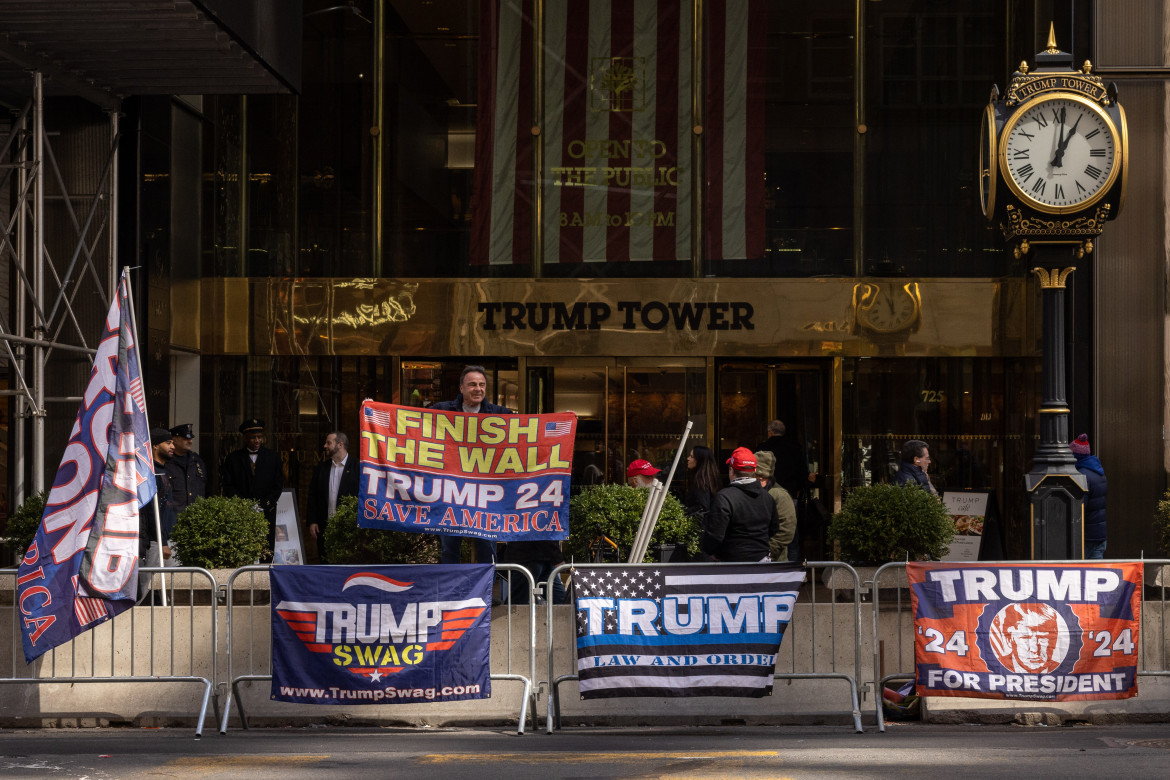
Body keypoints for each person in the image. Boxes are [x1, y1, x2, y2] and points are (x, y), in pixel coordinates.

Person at [431, 365, 511, 564]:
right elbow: (408, 418)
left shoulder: (501, 414)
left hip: (485, 495)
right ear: (461, 388)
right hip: (452, 494)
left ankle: (484, 594)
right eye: (473, 384)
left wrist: (564, 419)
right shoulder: (442, 410)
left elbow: (532, 430)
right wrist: (374, 409)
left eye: (482, 385)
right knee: (449, 548)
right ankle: (452, 593)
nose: (478, 389)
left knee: (487, 549)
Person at [221, 418, 284, 560]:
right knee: (242, 552)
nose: (257, 441)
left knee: (266, 551)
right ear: (245, 439)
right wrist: (245, 506)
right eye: (253, 438)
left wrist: (264, 505)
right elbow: (228, 486)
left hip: (266, 512)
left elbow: (278, 485)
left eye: (259, 437)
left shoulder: (273, 457)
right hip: (242, 513)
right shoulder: (233, 459)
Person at [700, 447, 777, 563]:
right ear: (754, 470)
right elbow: (774, 528)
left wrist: (710, 552)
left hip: (732, 564)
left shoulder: (724, 497)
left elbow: (715, 536)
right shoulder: (768, 497)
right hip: (762, 562)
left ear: (731, 470)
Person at [307, 431, 360, 562]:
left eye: (328, 443)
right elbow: (312, 495)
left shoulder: (357, 467)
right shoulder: (321, 468)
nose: (325, 446)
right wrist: (312, 521)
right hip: (325, 527)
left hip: (349, 528)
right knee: (325, 562)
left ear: (340, 445)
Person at [140, 428, 180, 600]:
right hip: (156, 541)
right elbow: (151, 511)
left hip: (170, 539)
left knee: (176, 587)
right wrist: (162, 542)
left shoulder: (166, 469)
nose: (173, 446)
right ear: (155, 446)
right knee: (143, 587)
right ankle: (122, 623)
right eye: (168, 442)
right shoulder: (150, 472)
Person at [755, 450, 796, 562]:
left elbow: (786, 529)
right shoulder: (756, 491)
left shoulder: (779, 495)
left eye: (759, 477)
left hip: (773, 562)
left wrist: (767, 554)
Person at [1071, 433, 1107, 559]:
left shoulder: (1082, 476)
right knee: (1097, 573)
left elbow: (1080, 508)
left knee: (1079, 573)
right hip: (1100, 534)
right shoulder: (1099, 472)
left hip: (1086, 535)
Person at [164, 423, 208, 515]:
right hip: (174, 518)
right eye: (185, 438)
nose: (190, 441)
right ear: (174, 440)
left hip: (196, 517)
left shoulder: (196, 461)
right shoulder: (166, 462)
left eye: (191, 438)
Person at [684, 445, 721, 523]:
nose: (688, 459)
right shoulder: (711, 478)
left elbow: (702, 507)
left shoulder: (701, 481)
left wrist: (683, 512)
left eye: (691, 456)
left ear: (699, 460)